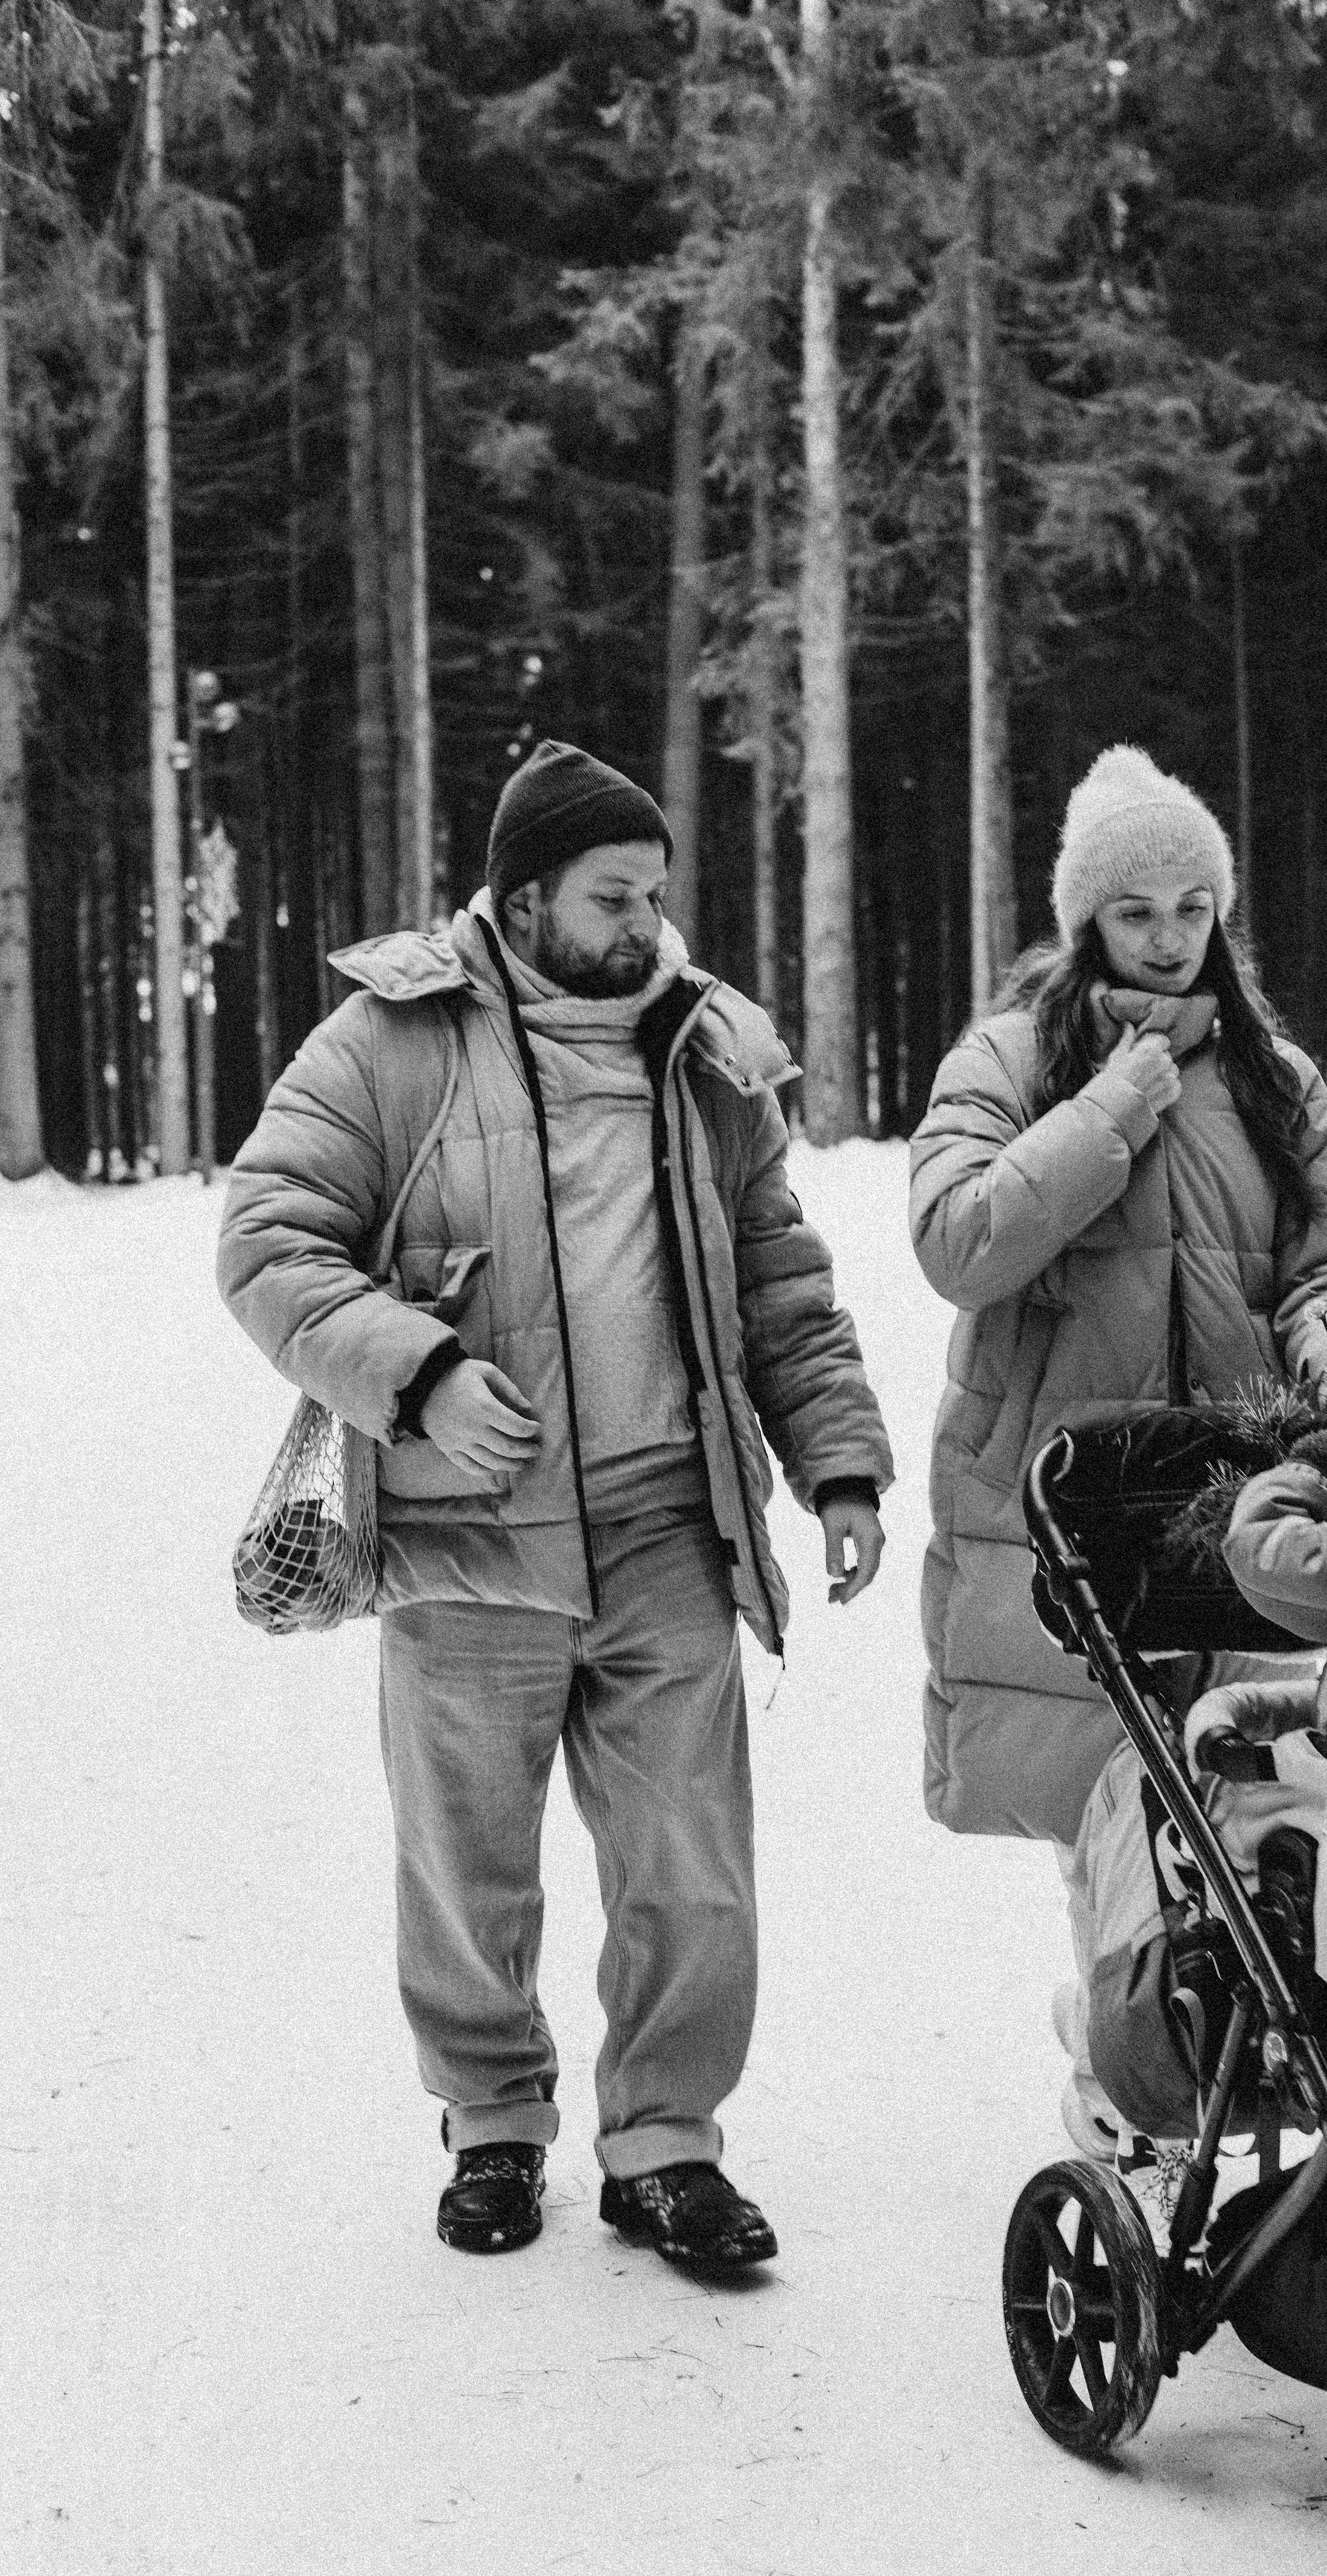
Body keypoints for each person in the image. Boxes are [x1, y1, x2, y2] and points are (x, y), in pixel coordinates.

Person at [219, 740, 893, 2270]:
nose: (647, 924)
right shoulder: (387, 1043)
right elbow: (266, 1242)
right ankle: (494, 2123)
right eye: (612, 896)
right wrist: (419, 1372)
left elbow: (781, 1281)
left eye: (657, 893)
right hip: (468, 1531)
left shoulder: (704, 1051)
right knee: (467, 1866)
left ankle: (664, 2145)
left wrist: (835, 1461)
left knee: (689, 1867)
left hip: (668, 1522)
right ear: (521, 903)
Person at [908, 741, 1327, 2154]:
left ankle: (1209, 2050)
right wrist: (1110, 1108)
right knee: (1111, 1797)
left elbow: (1325, 1262)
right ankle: (1131, 2069)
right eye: (1135, 912)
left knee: (1236, 1781)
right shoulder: (1007, 1059)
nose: (1170, 941)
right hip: (1066, 1503)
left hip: (1238, 1501)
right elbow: (957, 1242)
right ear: (1082, 922)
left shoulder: (1279, 1080)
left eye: (1192, 908)